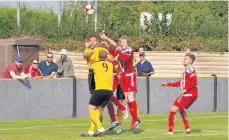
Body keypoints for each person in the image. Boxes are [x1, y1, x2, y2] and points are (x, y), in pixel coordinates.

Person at [160, 53, 198, 135]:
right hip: (190, 94)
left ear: (191, 61)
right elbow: (179, 83)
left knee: (173, 109)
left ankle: (170, 131)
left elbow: (194, 81)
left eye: (186, 59)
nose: (184, 60)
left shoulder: (190, 69)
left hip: (190, 93)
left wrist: (185, 89)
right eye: (184, 58)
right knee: (181, 110)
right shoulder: (186, 70)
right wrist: (167, 84)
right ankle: (187, 128)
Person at [80, 50, 115, 137]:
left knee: (91, 109)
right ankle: (91, 131)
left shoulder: (94, 64)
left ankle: (100, 127)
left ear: (98, 57)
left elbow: (90, 68)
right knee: (98, 110)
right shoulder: (110, 65)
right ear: (106, 57)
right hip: (109, 91)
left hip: (100, 89)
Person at [116, 36, 140, 129]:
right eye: (121, 42)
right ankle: (134, 119)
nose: (122, 43)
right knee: (126, 98)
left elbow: (125, 59)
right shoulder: (120, 51)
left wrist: (118, 52)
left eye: (124, 42)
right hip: (123, 76)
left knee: (130, 97)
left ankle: (136, 119)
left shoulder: (130, 51)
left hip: (130, 76)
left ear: (128, 44)